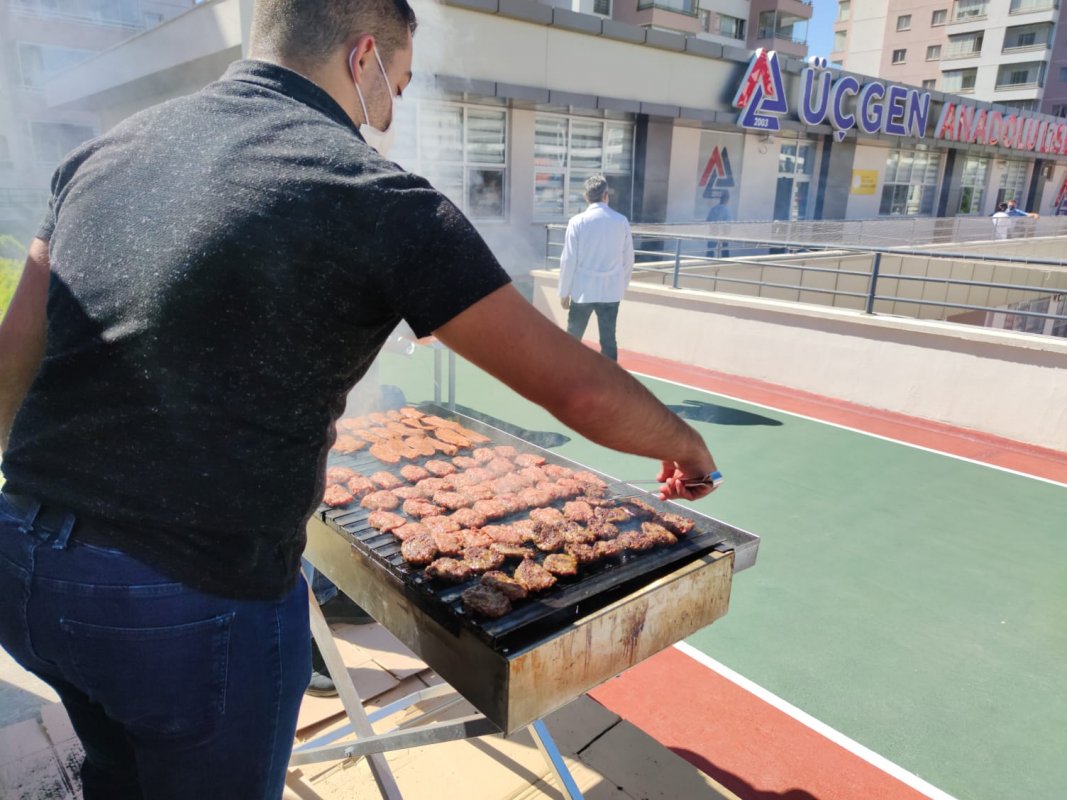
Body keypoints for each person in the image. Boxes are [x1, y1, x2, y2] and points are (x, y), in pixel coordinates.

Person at [0, 1, 719, 797]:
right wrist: (683, 445)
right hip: (185, 601)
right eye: (398, 83)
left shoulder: (102, 153)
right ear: (363, 56)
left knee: (116, 772)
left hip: (23, 560)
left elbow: (12, 356)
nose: (394, 103)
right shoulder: (372, 193)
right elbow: (577, 387)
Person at [558, 175, 634, 362]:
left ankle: (566, 373)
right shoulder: (621, 221)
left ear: (586, 196)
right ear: (606, 195)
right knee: (608, 341)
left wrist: (564, 292)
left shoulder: (577, 222)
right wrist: (622, 285)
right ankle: (610, 377)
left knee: (573, 338)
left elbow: (568, 259)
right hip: (611, 292)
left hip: (583, 291)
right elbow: (628, 258)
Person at [705, 191, 732, 259]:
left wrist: (712, 227)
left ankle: (708, 260)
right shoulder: (726, 209)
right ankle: (726, 261)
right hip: (723, 233)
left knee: (710, 250)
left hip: (713, 231)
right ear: (726, 200)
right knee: (724, 249)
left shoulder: (714, 208)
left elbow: (708, 220)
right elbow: (728, 222)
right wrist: (728, 231)